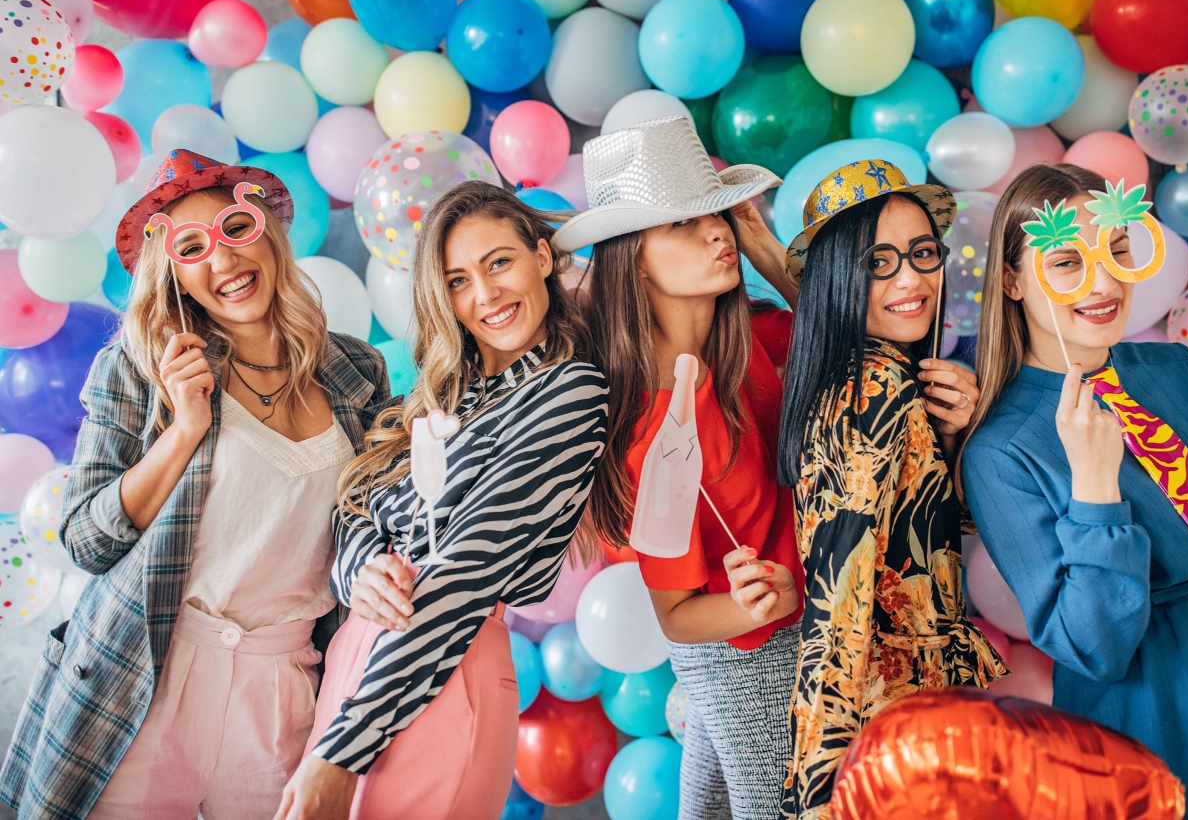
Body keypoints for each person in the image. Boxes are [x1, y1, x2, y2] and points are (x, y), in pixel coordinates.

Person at [0, 150, 392, 820]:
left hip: (284, 686)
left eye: (235, 230)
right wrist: (183, 430)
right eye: (191, 247)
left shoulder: (356, 368)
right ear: (174, 272)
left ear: (265, 233)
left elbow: (372, 516)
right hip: (148, 670)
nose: (223, 262)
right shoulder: (142, 366)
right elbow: (86, 542)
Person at [960, 162, 1188, 820]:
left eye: (1115, 250)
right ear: (1011, 279)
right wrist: (1093, 487)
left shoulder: (1178, 371)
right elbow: (1094, 645)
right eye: (1066, 262)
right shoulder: (1001, 450)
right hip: (1156, 706)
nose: (1104, 282)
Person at [276, 181, 608, 820]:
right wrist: (362, 570)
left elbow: (465, 574)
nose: (484, 296)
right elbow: (354, 505)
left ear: (542, 257)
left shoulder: (569, 391)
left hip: (445, 664)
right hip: (361, 655)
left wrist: (343, 754)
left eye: (499, 263)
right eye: (457, 280)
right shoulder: (440, 396)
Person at [558, 116, 805, 820]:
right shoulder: (642, 425)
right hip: (748, 653)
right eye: (682, 224)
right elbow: (678, 616)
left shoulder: (746, 338)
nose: (714, 232)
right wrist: (759, 604)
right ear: (633, 257)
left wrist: (761, 244)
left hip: (808, 630)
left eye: (715, 214)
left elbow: (849, 335)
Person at [777, 160, 1008, 820]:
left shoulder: (880, 382)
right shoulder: (871, 392)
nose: (911, 280)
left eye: (922, 254)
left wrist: (960, 439)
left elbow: (922, 539)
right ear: (839, 280)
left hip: (914, 720)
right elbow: (837, 605)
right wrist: (817, 792)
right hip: (886, 736)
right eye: (879, 263)